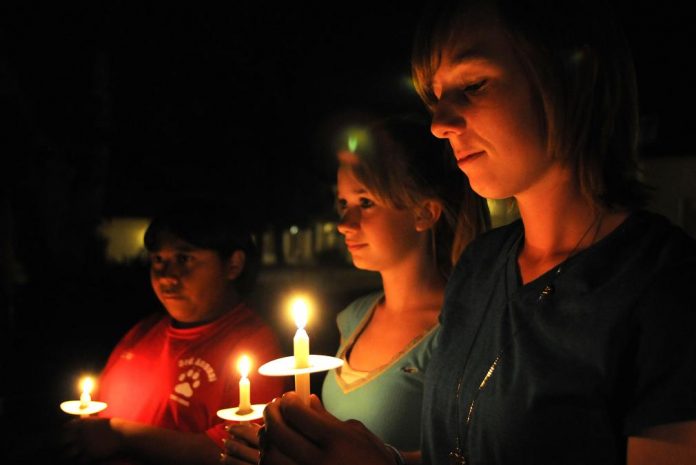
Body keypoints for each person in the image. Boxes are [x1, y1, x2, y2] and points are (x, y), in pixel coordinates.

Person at [257, 1, 696, 464]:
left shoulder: (665, 288)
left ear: (571, 79)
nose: (439, 124)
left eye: (473, 86)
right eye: (435, 97)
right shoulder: (480, 267)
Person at [221, 114, 489, 464]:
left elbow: (483, 449)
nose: (345, 224)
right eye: (343, 204)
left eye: (365, 203)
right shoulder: (353, 317)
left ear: (424, 213)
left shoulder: (462, 324)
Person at [60, 197, 286, 465]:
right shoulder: (142, 333)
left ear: (233, 265)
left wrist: (120, 434)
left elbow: (233, 450)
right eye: (158, 259)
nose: (167, 275)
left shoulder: (254, 345)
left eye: (184, 258)